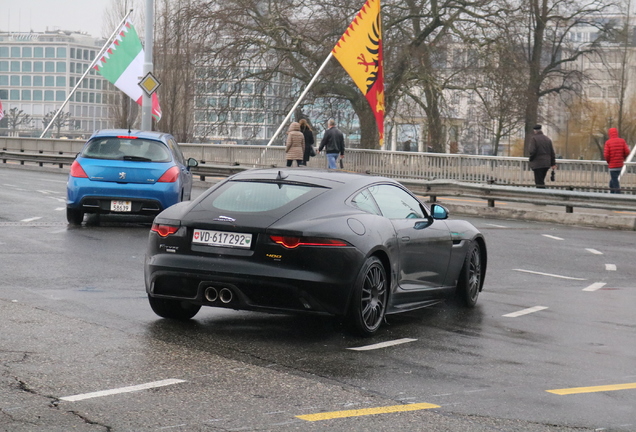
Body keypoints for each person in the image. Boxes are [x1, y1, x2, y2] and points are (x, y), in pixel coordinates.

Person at [603, 127, 630, 194]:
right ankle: (612, 195)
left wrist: (609, 161)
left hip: (612, 166)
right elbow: (627, 151)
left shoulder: (608, 142)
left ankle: (617, 196)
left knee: (615, 182)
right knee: (613, 181)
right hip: (620, 165)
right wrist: (622, 158)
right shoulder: (622, 141)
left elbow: (606, 155)